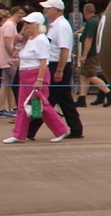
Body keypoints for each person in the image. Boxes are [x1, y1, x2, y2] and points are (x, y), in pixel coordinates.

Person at [7, 14, 70, 144]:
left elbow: (43, 62)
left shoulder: (41, 40)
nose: (25, 26)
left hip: (35, 75)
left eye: (28, 24)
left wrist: (40, 79)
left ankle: (61, 130)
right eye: (25, 24)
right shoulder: (31, 39)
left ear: (37, 25)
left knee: (41, 105)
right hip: (25, 75)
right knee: (22, 106)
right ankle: (19, 134)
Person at [40, 0, 83, 141]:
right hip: (54, 64)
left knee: (49, 99)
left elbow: (65, 49)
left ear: (57, 10)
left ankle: (30, 129)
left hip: (58, 65)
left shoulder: (62, 26)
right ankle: (76, 128)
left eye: (48, 8)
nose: (45, 11)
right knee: (65, 100)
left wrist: (60, 70)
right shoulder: (54, 25)